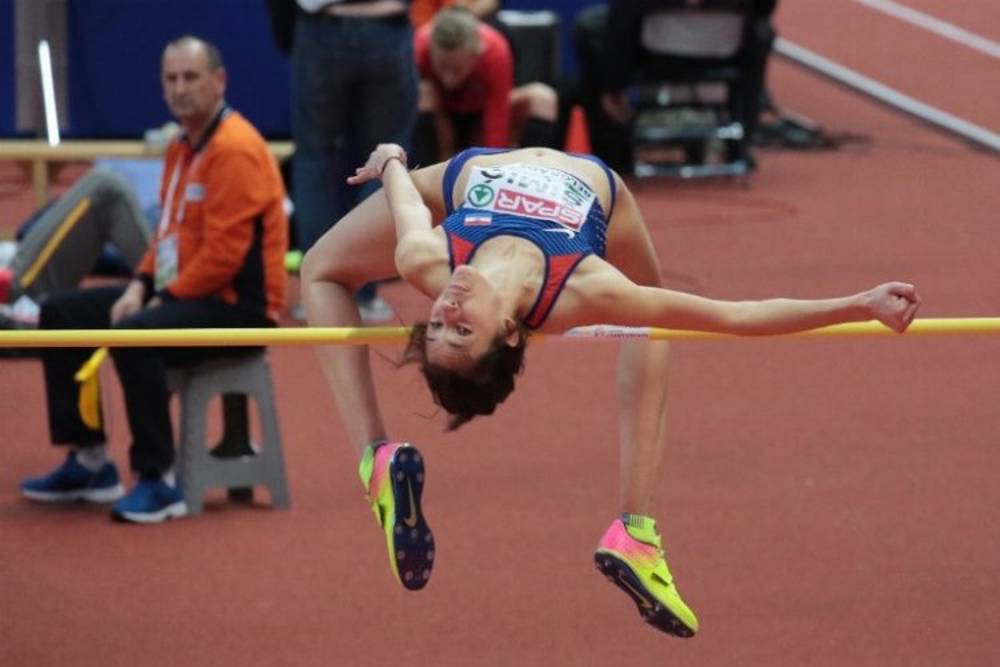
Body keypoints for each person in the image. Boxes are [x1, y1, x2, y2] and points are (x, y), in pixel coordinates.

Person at [300, 142, 919, 635]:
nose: (448, 306)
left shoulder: (427, 260)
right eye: (462, 328)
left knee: (321, 265)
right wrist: (857, 303)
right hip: (602, 195)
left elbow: (404, 192)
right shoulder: (587, 290)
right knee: (655, 327)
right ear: (511, 332)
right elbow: (735, 316)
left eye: (438, 321)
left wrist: (391, 162)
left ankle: (376, 465)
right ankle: (636, 530)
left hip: (463, 176)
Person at [19, 36, 288, 524]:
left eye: (191, 77)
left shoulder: (238, 149)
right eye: (171, 79)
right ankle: (90, 460)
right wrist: (139, 286)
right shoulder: (180, 148)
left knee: (135, 334)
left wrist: (153, 299)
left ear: (219, 81)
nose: (180, 89)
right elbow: (166, 236)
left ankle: (158, 479)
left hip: (238, 308)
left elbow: (223, 259)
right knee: (61, 310)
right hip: (186, 293)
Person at [288, 0, 417, 323]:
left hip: (322, 28)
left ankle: (318, 295)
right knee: (384, 159)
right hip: (386, 27)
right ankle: (364, 296)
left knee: (315, 159)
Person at [573, 0, 778, 173]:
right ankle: (740, 145)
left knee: (592, 27)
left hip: (657, 52)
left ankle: (613, 157)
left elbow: (623, 13)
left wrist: (614, 85)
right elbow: (763, 8)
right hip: (725, 50)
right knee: (761, 33)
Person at [0, 167, 153, 330]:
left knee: (105, 187)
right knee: (106, 188)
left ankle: (165, 290)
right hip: (12, 294)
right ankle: (167, 294)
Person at [413, 7, 558, 166]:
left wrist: (494, 164)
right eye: (442, 67)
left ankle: (531, 169)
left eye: (457, 70)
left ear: (475, 55)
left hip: (480, 116)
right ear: (431, 51)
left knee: (543, 98)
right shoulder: (419, 46)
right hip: (442, 118)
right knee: (422, 93)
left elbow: (497, 113)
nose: (448, 80)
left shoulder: (494, 50)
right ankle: (424, 172)